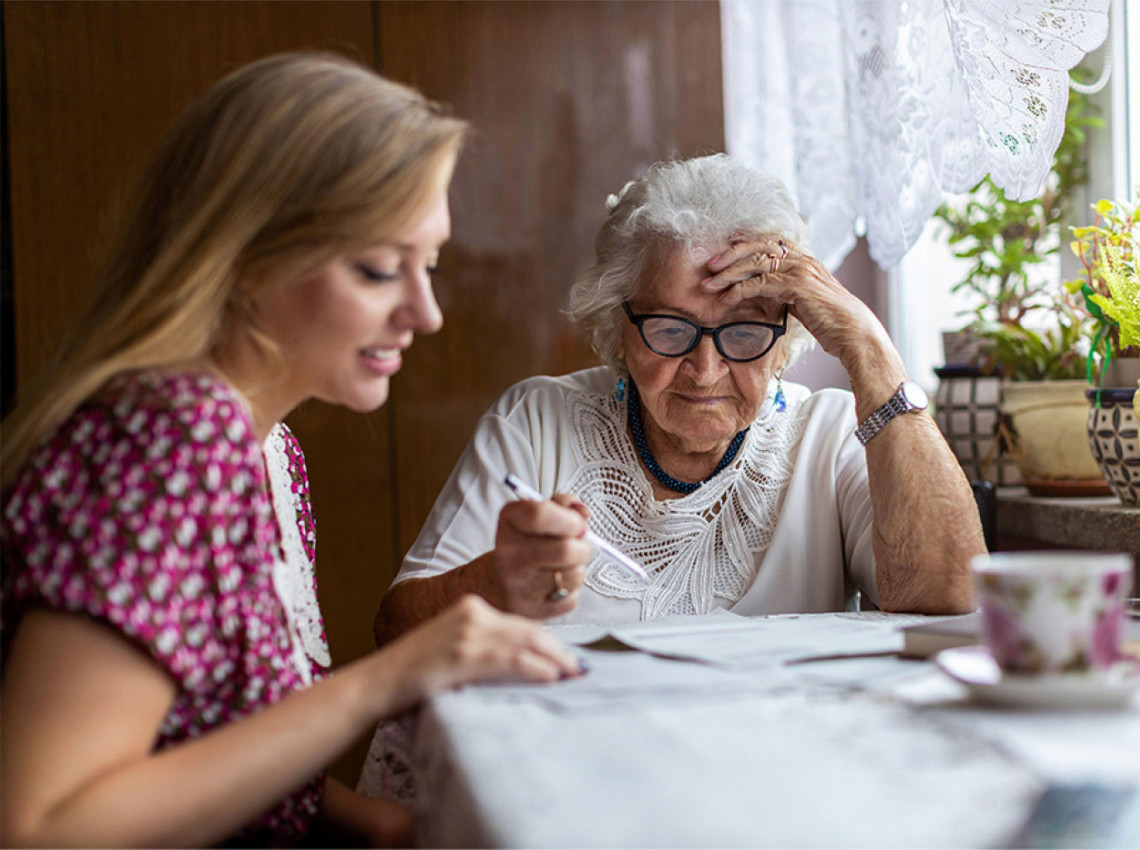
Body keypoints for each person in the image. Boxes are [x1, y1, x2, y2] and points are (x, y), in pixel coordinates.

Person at [0, 52, 591, 848]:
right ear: (246, 257)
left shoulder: (269, 450)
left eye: (432, 266)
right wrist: (387, 679)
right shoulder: (172, 440)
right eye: (380, 269)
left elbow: (203, 751)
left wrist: (379, 827)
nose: (426, 313)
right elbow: (44, 827)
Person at [372, 152, 983, 645]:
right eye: (670, 329)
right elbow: (396, 631)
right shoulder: (537, 422)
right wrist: (493, 580)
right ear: (619, 330)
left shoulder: (827, 436)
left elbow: (954, 600)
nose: (705, 368)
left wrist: (869, 347)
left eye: (744, 332)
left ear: (782, 340)